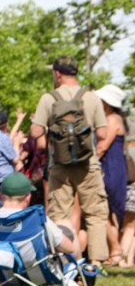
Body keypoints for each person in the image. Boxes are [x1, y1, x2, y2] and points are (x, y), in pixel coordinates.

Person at [29, 56, 110, 266]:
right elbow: (102, 134)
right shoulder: (91, 97)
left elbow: (36, 131)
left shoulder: (49, 98)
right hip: (88, 164)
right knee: (96, 213)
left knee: (59, 213)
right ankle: (96, 262)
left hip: (59, 165)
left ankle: (64, 261)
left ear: (57, 74)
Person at [0, 172, 83, 266]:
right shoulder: (35, 218)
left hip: (0, 273)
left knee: (63, 224)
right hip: (34, 275)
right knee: (66, 225)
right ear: (28, 197)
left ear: (1, 195)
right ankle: (82, 272)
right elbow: (70, 249)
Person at [95, 84, 128, 266]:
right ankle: (115, 251)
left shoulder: (111, 120)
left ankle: (116, 250)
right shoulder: (116, 118)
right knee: (109, 211)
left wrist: (90, 164)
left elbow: (102, 147)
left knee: (105, 210)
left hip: (110, 168)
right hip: (114, 167)